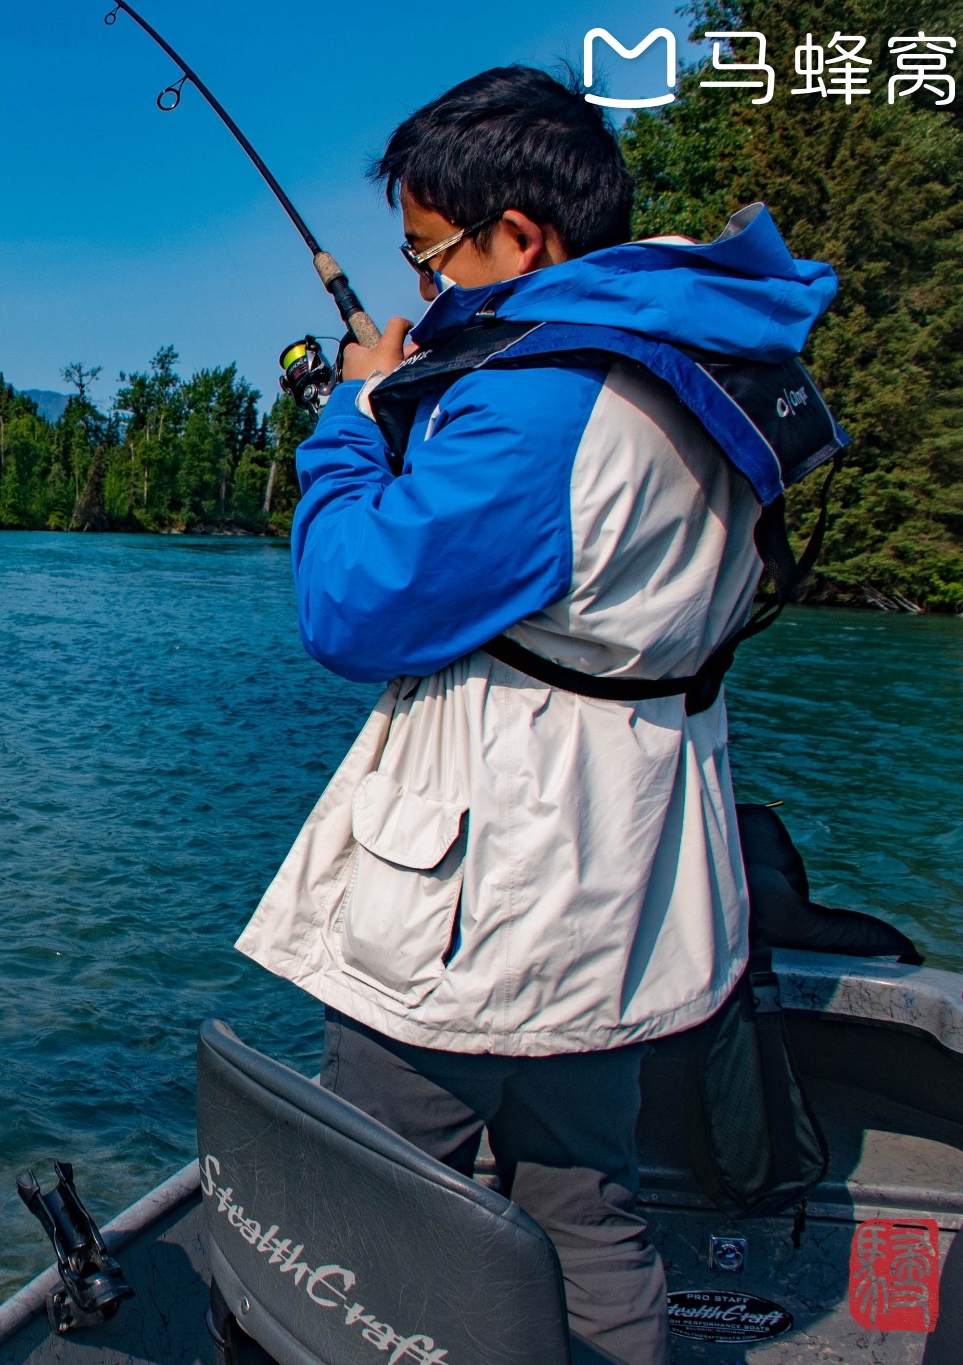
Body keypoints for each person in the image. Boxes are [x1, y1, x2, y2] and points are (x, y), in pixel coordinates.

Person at [235, 67, 840, 1365]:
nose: (427, 288)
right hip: (626, 866)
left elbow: (353, 605)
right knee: (587, 1207)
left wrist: (349, 417)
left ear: (525, 236)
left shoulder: (543, 400)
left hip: (477, 894)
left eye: (433, 254)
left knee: (378, 1209)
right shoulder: (693, 365)